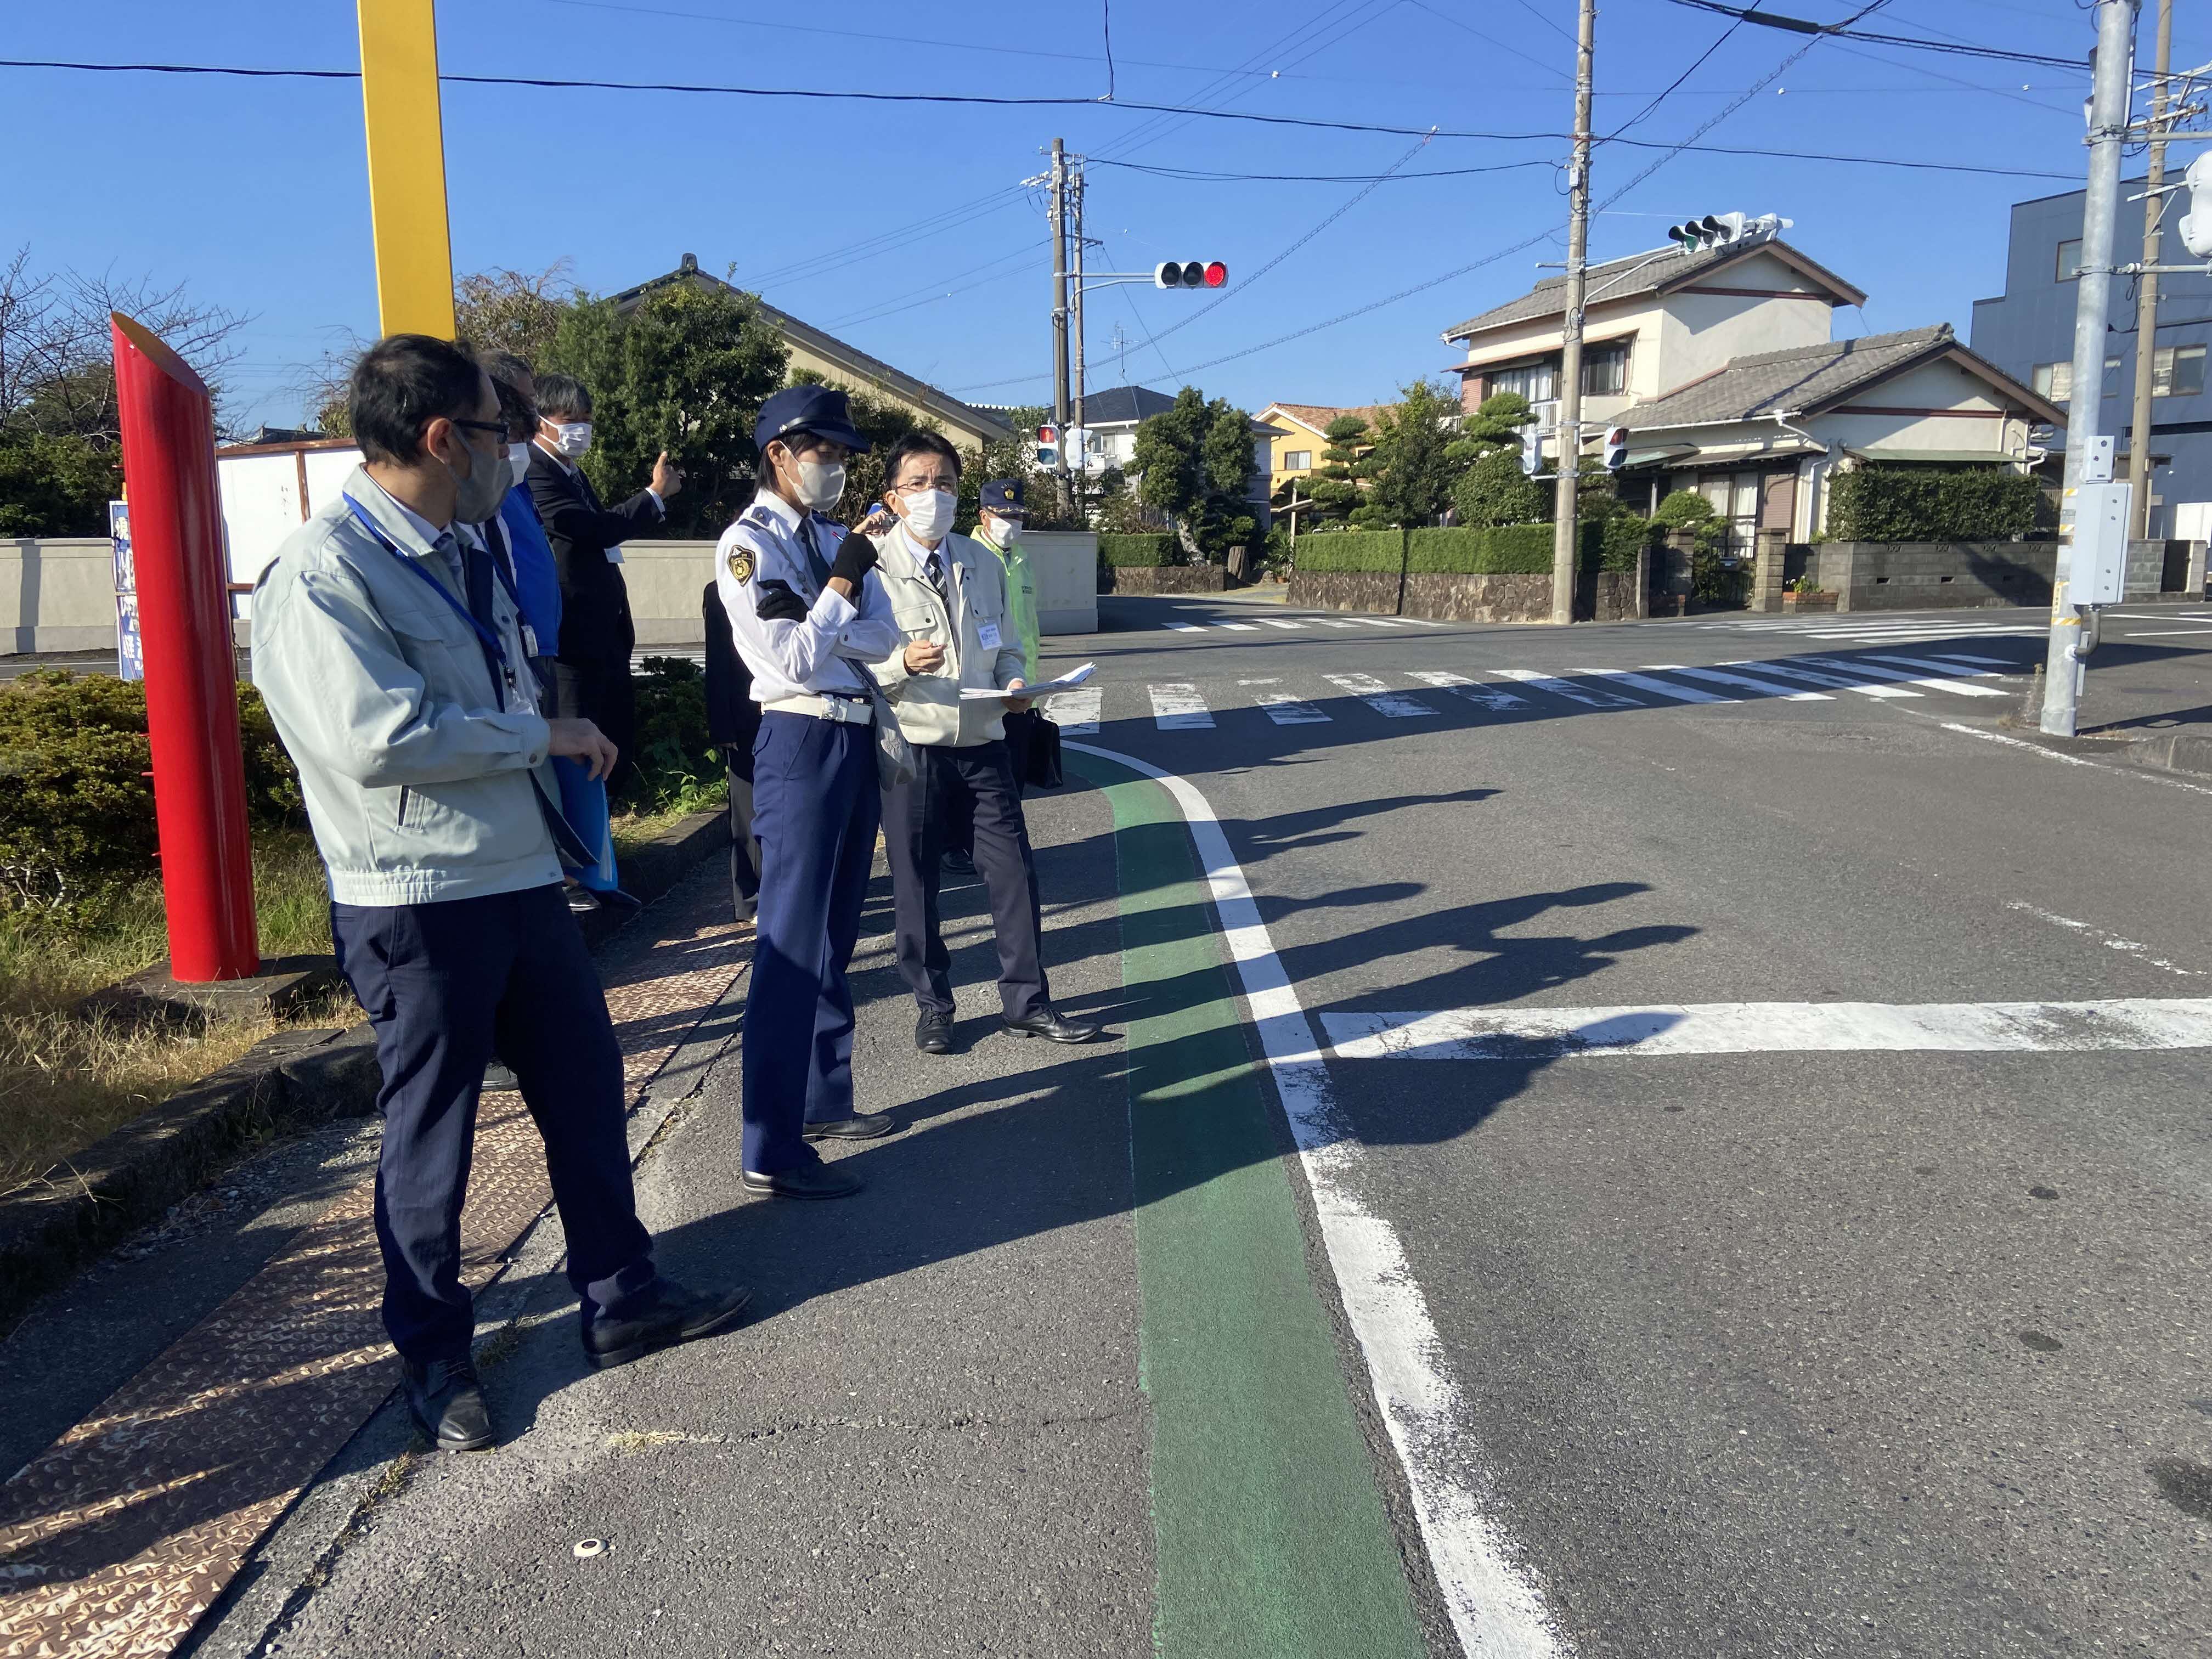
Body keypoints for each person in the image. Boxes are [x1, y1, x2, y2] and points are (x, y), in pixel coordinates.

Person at [251, 334, 748, 1453]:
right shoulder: (324, 573)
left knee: (583, 1088)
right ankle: (435, 1359)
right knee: (433, 1137)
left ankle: (622, 1297)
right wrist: (545, 733)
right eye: (499, 430)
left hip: (519, 876)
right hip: (416, 896)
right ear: (442, 438)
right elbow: (375, 738)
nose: (515, 451)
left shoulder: (462, 546)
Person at [716, 385, 906, 1199]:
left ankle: (822, 1102)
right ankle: (770, 1144)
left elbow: (883, 633)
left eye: (841, 455)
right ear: (780, 456)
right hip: (799, 736)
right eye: (822, 453)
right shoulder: (746, 546)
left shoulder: (831, 537)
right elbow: (789, 660)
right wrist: (839, 590)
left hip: (853, 731)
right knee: (790, 947)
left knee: (834, 933)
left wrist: (831, 599)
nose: (835, 468)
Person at [868, 433, 1101, 1057]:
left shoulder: (981, 561)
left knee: (1014, 874)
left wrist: (1016, 683)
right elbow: (850, 663)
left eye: (943, 483)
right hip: (912, 750)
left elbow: (1007, 647)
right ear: (892, 498)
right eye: (917, 484)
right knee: (916, 884)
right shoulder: (869, 568)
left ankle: (1027, 1002)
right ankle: (933, 1006)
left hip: (985, 741)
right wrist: (900, 665)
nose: (932, 496)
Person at [526, 373, 680, 799]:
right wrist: (653, 495)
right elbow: (592, 529)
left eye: (587, 418)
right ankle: (586, 854)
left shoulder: (570, 471)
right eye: (570, 418)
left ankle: (607, 848)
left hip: (605, 640)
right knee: (581, 761)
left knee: (612, 748)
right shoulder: (535, 473)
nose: (581, 429)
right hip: (572, 643)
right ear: (541, 420)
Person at [940, 478, 1039, 873]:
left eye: (1018, 516)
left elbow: (1026, 632)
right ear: (984, 516)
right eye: (1005, 515)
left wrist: (1033, 687)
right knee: (971, 782)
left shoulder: (1022, 560)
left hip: (1021, 686)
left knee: (1012, 777)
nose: (1012, 523)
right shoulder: (969, 558)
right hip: (982, 692)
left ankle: (991, 849)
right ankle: (958, 846)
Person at [702, 578, 761, 921]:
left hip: (783, 710)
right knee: (747, 810)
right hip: (742, 716)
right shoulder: (720, 588)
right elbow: (717, 661)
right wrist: (721, 725)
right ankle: (750, 898)